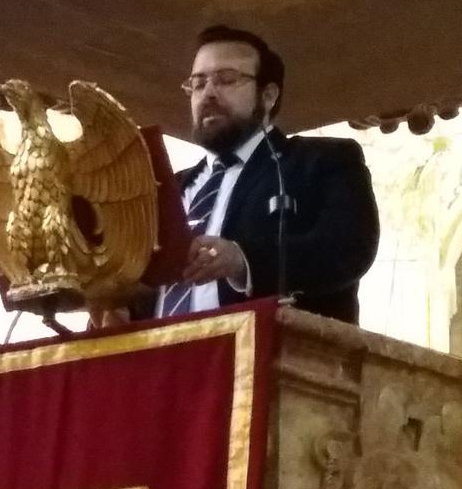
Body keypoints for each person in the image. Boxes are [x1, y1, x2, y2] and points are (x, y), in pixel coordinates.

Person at [154, 24, 379, 325]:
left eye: (226, 79)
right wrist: (124, 307)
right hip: (162, 351)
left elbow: (347, 248)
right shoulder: (170, 186)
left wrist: (243, 261)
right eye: (198, 84)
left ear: (268, 95)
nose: (208, 93)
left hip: (269, 349)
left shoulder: (321, 162)